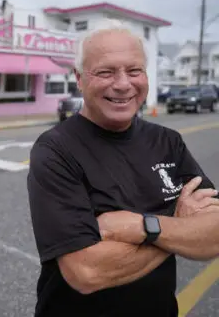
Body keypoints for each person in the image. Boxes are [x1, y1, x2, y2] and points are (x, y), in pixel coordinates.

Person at [27, 19, 219, 317]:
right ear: (79, 78)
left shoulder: (168, 142)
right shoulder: (55, 150)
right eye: (105, 72)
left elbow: (215, 236)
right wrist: (179, 223)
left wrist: (140, 226)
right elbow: (86, 272)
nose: (123, 84)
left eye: (134, 70)